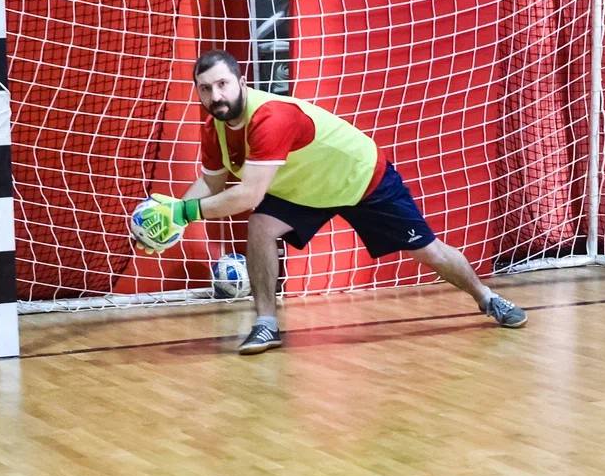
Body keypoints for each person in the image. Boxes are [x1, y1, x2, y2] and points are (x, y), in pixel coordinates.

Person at [135, 49, 527, 354]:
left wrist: (182, 212)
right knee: (261, 226)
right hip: (304, 190)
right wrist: (169, 217)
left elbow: (249, 194)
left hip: (359, 178)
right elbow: (212, 182)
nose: (215, 96)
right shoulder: (214, 128)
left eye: (222, 84)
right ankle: (266, 324)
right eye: (205, 88)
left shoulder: (270, 117)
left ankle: (488, 298)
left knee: (429, 252)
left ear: (241, 81)